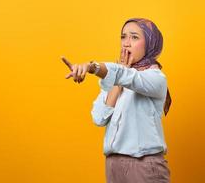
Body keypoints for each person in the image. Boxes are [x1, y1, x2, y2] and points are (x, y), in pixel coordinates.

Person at [61, 17, 172, 183]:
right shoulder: (116, 79)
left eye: (134, 37)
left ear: (150, 43)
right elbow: (99, 118)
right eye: (123, 37)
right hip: (113, 166)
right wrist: (117, 83)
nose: (126, 43)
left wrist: (92, 67)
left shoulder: (155, 78)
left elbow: (127, 76)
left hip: (144, 167)